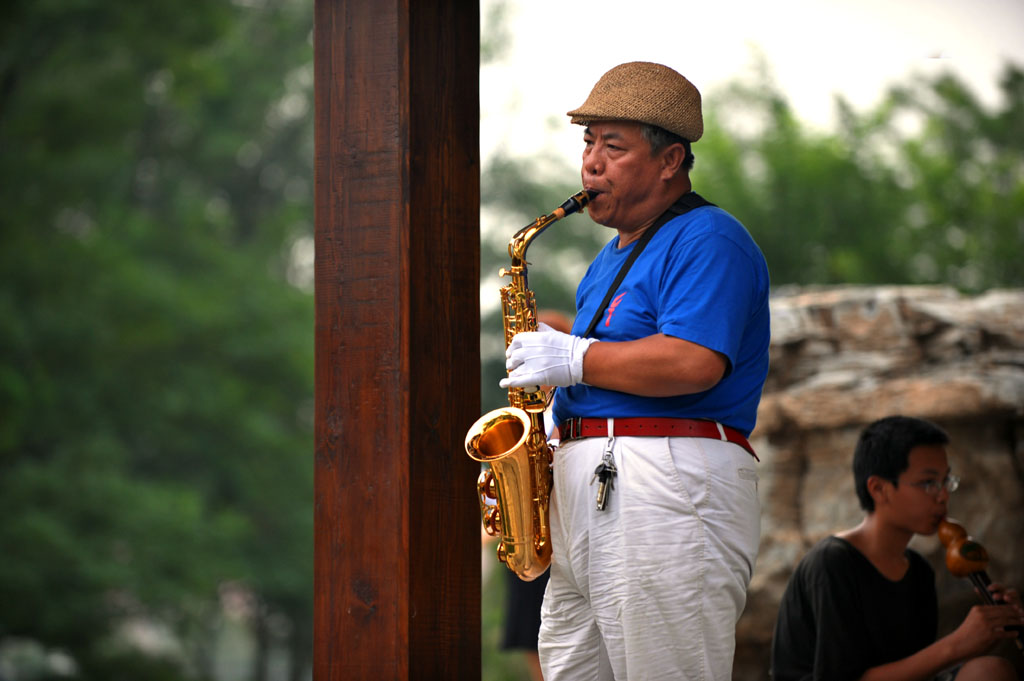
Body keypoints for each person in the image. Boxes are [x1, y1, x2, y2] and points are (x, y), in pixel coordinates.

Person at [500, 61, 771, 680]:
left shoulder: (710, 238)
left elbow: (694, 361)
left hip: (662, 482)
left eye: (612, 146)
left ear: (671, 160)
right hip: (599, 486)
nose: (591, 163)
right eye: (588, 143)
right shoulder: (606, 259)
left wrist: (575, 356)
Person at [770, 415, 1024, 681]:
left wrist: (995, 627)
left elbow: (918, 671)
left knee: (989, 671)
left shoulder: (919, 571)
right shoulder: (831, 563)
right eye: (928, 483)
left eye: (946, 481)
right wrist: (957, 644)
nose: (943, 495)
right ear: (879, 489)